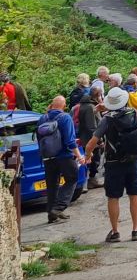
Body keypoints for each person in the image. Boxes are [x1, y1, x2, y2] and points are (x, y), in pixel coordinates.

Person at [84, 87, 137, 243]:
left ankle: (115, 232)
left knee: (113, 197)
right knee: (134, 195)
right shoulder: (133, 113)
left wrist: (88, 155)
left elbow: (92, 143)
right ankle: (136, 229)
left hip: (114, 163)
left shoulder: (107, 120)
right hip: (134, 160)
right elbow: (128, 116)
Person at [37, 96, 85, 224]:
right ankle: (58, 208)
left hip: (48, 157)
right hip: (64, 156)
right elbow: (70, 141)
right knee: (72, 178)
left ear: (52, 105)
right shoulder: (65, 117)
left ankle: (51, 214)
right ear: (64, 106)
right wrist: (79, 156)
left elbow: (39, 139)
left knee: (52, 185)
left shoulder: (42, 118)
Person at [78, 88, 104, 189]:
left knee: (91, 160)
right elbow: (91, 126)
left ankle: (87, 182)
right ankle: (89, 182)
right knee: (93, 160)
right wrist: (99, 140)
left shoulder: (85, 104)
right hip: (91, 139)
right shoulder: (89, 107)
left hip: (86, 138)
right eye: (100, 95)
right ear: (97, 95)